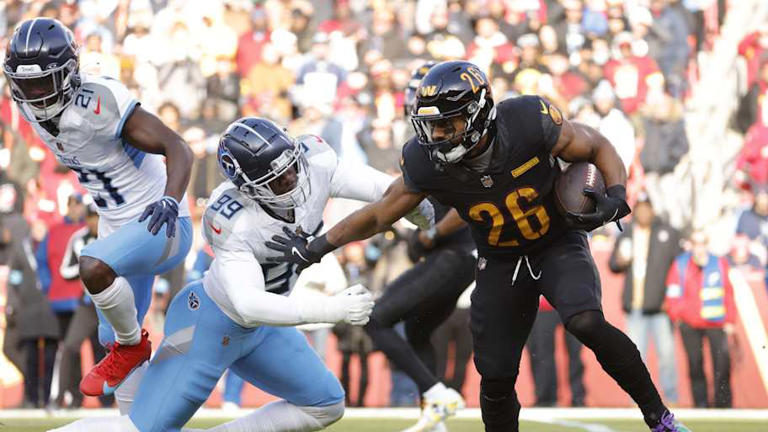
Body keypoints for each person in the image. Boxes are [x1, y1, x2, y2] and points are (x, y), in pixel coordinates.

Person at [267, 60, 689, 432]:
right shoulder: (426, 160)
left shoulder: (527, 120)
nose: (436, 134)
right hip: (500, 260)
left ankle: (661, 419)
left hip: (556, 243)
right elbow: (381, 213)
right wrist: (317, 246)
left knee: (585, 321)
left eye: (447, 123)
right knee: (496, 375)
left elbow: (596, 145)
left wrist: (616, 193)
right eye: (431, 124)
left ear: (478, 115)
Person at [52, 117, 433, 432]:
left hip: (266, 326)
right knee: (144, 431)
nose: (292, 181)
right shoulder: (231, 217)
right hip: (213, 324)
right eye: (278, 180)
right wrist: (331, 309)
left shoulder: (313, 160)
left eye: (291, 167)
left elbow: (377, 187)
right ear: (247, 187)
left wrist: (414, 205)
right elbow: (248, 305)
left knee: (325, 405)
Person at [3, 18, 194, 404]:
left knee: (92, 266)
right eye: (26, 86)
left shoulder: (99, 102)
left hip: (159, 222)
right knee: (112, 341)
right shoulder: (27, 110)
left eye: (44, 83)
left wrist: (171, 199)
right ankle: (141, 421)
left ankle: (134, 347)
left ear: (70, 75)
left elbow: (178, 147)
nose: (36, 95)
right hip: (116, 230)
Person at [357, 62, 476, 432]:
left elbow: (467, 205)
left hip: (455, 253)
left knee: (376, 318)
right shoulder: (429, 150)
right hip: (454, 256)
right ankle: (434, 413)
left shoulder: (458, 149)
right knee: (419, 330)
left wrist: (430, 235)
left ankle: (436, 394)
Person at [609, 194, 681, 404]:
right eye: (639, 208)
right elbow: (614, 265)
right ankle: (639, 400)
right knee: (636, 357)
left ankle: (671, 398)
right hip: (635, 305)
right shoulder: (627, 233)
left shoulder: (667, 233)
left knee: (666, 355)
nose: (642, 212)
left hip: (661, 306)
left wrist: (672, 298)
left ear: (653, 210)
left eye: (646, 208)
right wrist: (620, 261)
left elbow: (679, 268)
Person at [665, 230, 736, 408]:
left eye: (703, 242)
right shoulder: (680, 264)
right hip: (689, 324)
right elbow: (672, 293)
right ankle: (701, 405)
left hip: (716, 323)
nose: (700, 247)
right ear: (691, 245)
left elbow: (728, 292)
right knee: (695, 366)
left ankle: (723, 406)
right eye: (696, 243)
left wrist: (730, 320)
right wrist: (677, 316)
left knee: (722, 366)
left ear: (707, 244)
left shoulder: (719, 263)